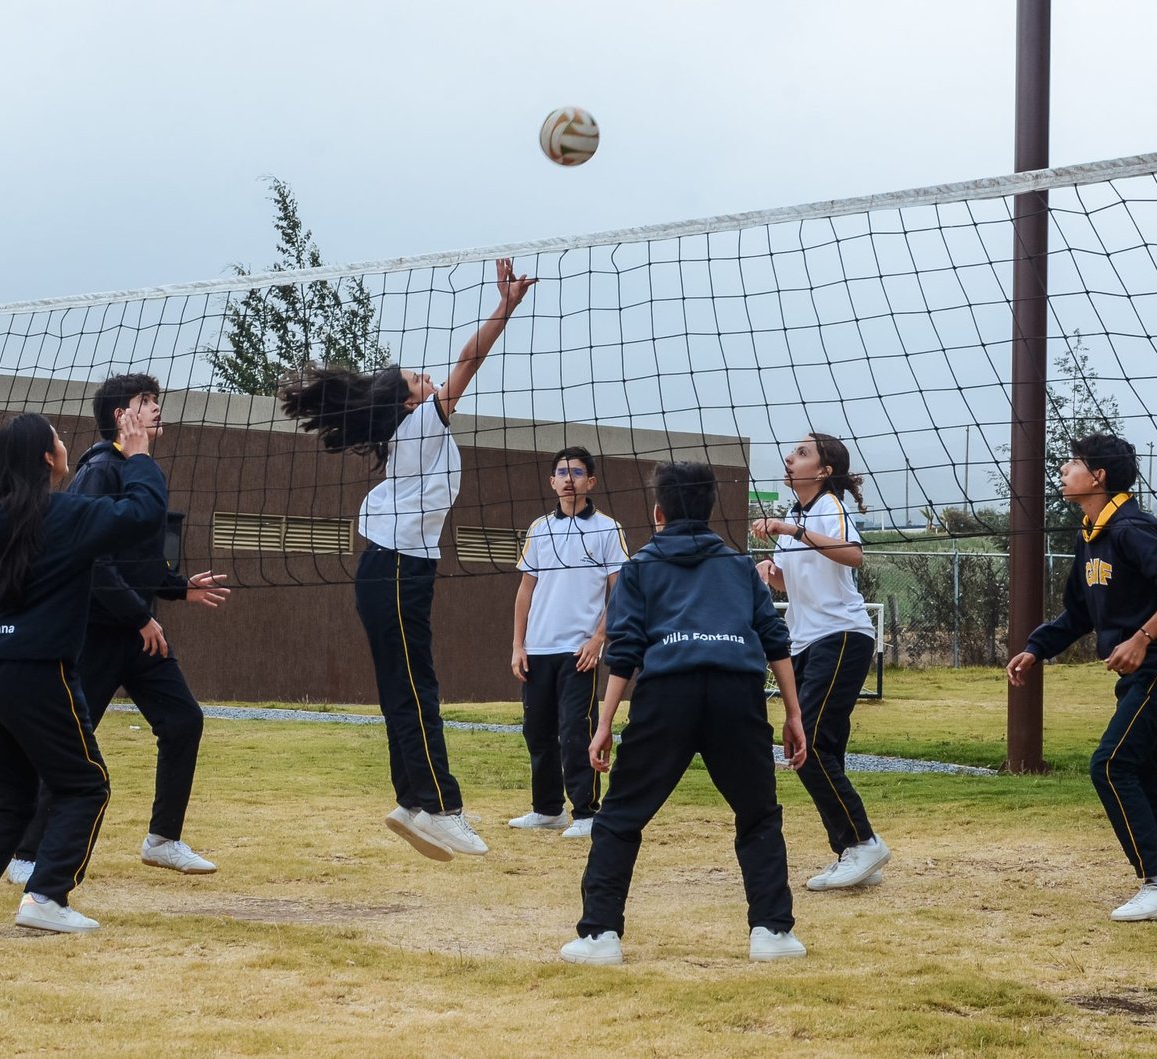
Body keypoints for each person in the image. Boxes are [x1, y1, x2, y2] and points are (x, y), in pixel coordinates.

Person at [279, 258, 535, 862]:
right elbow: (467, 364)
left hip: (390, 569)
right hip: (396, 569)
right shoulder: (420, 425)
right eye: (420, 380)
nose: (430, 381)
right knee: (417, 688)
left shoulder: (416, 434)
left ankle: (414, 802)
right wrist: (505, 308)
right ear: (405, 402)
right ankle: (440, 807)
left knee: (405, 687)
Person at [0, 410, 166, 936]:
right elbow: (144, 512)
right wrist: (139, 451)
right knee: (84, 785)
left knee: (4, 801)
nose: (64, 446)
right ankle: (46, 897)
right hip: (32, 672)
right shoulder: (62, 515)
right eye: (58, 440)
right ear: (45, 458)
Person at [560, 461, 809, 965]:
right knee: (758, 814)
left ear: (657, 512)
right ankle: (772, 933)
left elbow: (624, 650)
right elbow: (775, 639)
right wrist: (794, 713)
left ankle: (600, 937)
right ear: (712, 508)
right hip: (736, 694)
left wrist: (604, 723)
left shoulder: (640, 568)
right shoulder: (740, 566)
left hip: (667, 695)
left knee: (620, 817)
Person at [1004, 433, 1157, 923]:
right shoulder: (1090, 533)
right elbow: (1078, 612)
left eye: (1073, 463)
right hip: (1143, 672)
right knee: (1142, 777)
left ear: (1099, 476)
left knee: (1110, 766)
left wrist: (1142, 638)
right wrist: (1035, 648)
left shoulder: (1131, 528)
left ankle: (1156, 883)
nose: (1064, 470)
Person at [5, 375, 230, 887]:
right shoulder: (100, 471)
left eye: (155, 401)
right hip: (99, 633)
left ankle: (163, 840)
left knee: (183, 722)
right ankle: (25, 853)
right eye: (143, 403)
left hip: (136, 630)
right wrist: (140, 615)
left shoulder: (140, 469)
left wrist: (176, 588)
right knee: (70, 743)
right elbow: (92, 562)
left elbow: (133, 559)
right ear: (119, 417)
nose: (155, 410)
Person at [753, 433, 889, 891]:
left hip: (843, 636)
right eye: (793, 452)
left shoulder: (830, 507)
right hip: (808, 641)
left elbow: (854, 556)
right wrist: (773, 576)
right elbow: (807, 585)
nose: (790, 457)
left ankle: (862, 844)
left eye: (803, 453)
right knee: (821, 749)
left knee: (804, 744)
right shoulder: (797, 513)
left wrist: (790, 533)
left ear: (824, 471)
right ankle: (855, 852)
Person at [508, 446, 628, 839]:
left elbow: (620, 592)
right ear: (551, 481)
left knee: (576, 730)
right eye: (561, 472)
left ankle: (587, 813)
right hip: (538, 650)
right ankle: (547, 810)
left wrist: (598, 640)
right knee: (537, 732)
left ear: (590, 481)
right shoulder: (539, 528)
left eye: (576, 472)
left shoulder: (608, 528)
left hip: (579, 651)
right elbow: (525, 590)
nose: (568, 478)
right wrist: (517, 645)